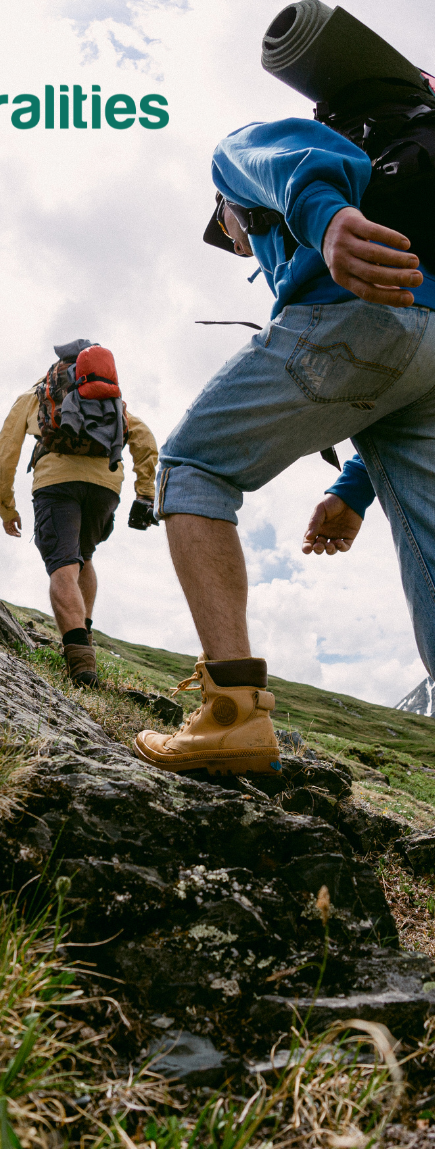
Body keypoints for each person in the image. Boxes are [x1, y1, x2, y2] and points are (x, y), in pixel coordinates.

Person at [133, 112, 435, 777]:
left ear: (225, 208)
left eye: (227, 230)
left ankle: (231, 715)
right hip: (429, 343)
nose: (236, 243)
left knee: (192, 467)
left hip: (354, 310)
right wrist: (351, 491)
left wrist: (328, 222)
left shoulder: (236, 157)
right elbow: (395, 378)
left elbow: (287, 162)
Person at [0, 341, 158, 686]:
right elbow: (144, 439)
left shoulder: (38, 395)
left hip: (57, 484)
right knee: (84, 556)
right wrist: (145, 492)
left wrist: (6, 505)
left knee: (63, 565)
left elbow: (6, 452)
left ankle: (81, 664)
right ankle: (85, 637)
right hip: (105, 487)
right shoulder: (111, 399)